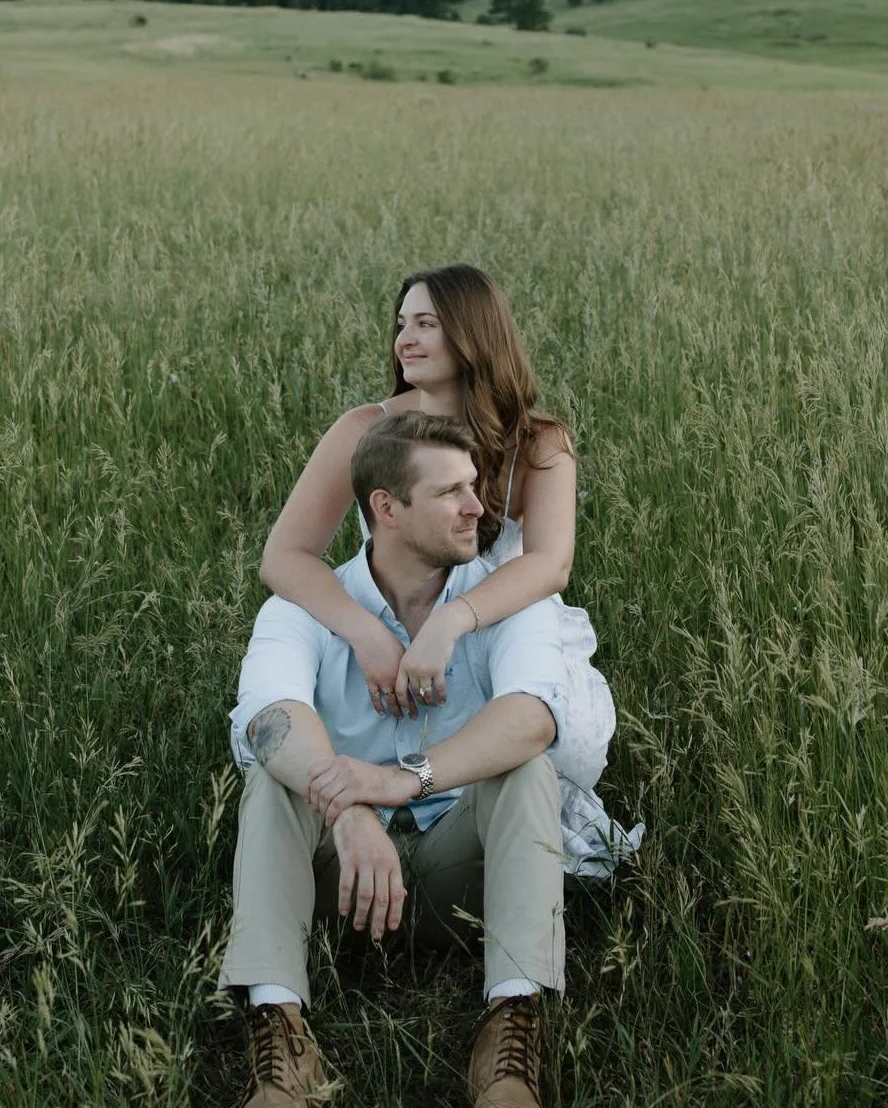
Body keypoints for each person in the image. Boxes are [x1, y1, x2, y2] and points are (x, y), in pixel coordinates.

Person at [222, 412, 569, 1106]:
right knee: (272, 779)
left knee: (527, 770)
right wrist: (350, 810)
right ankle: (281, 1036)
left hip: (460, 871)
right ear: (387, 509)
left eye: (475, 485)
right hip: (338, 875)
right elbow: (266, 717)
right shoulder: (310, 606)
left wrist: (406, 779)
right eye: (452, 493)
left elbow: (533, 716)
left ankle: (510, 1032)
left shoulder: (497, 601)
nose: (480, 505)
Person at [257, 264, 640, 876]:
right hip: (391, 628)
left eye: (426, 324)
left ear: (472, 334)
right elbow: (284, 555)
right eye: (401, 323)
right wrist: (365, 631)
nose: (404, 339)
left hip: (499, 632)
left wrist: (452, 623)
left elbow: (550, 563)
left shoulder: (540, 444)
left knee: (524, 742)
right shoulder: (366, 429)